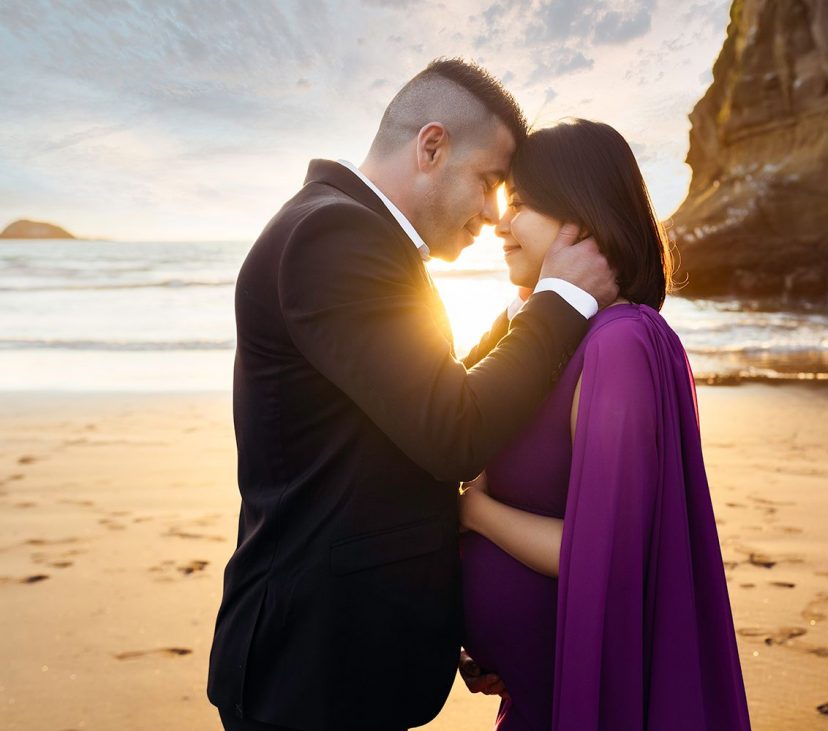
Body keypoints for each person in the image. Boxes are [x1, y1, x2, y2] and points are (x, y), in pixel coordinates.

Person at [207, 60, 618, 731]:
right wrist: (562, 300)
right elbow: (451, 430)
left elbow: (418, 409)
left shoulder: (357, 240)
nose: (493, 214)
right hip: (309, 677)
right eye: (490, 182)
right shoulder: (333, 237)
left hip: (343, 665)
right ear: (431, 147)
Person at [458, 119, 751, 730]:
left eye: (521, 205)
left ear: (581, 218)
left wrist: (471, 513)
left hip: (587, 698)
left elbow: (604, 551)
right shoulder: (561, 337)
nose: (501, 224)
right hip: (538, 692)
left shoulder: (618, 344)